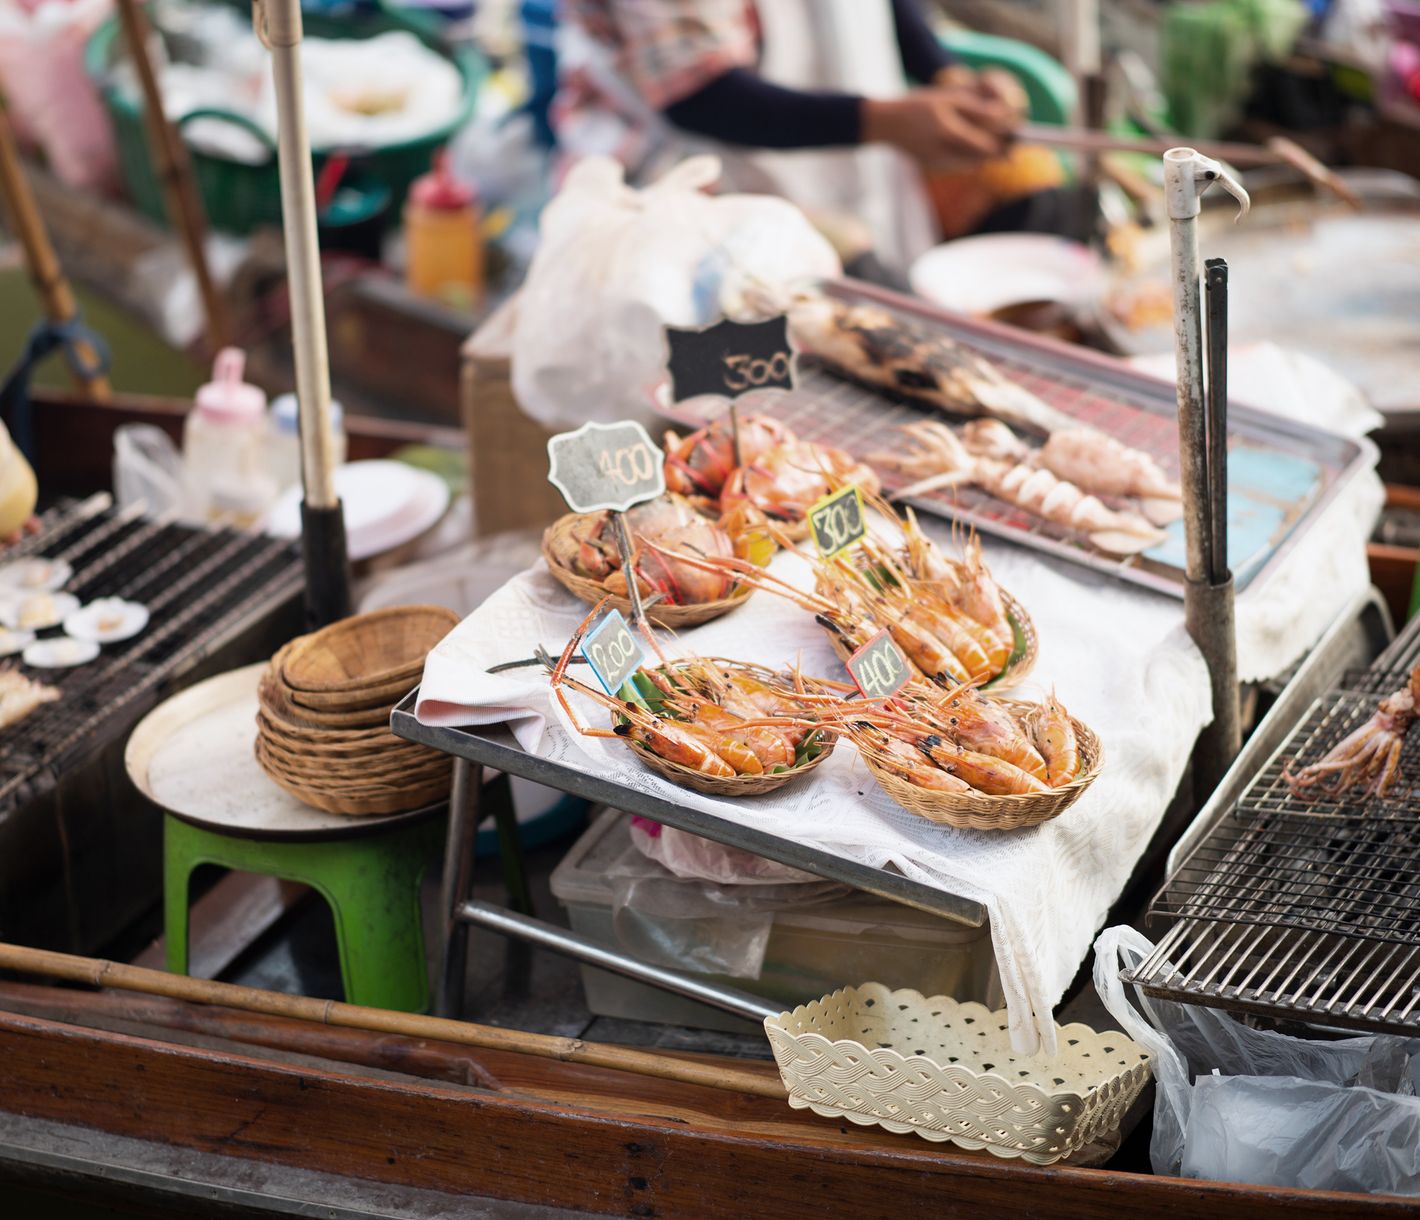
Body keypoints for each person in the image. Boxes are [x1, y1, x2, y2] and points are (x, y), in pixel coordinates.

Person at [553, 0, 1070, 272]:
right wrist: (886, 123)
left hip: (849, 136)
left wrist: (947, 76)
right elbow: (699, 93)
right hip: (686, 170)